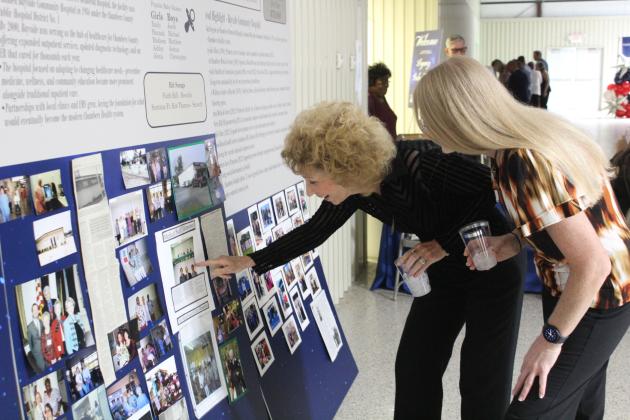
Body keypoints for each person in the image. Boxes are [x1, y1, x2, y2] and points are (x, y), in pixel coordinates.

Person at [197, 101, 523, 419]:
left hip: (490, 262)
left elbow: (488, 189)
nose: (310, 192)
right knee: (415, 366)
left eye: (313, 180)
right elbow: (314, 232)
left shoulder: (419, 163)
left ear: (343, 167)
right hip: (444, 271)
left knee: (482, 378)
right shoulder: (357, 190)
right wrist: (249, 261)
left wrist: (441, 244)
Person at [414, 56, 630, 419]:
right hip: (570, 285)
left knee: (530, 410)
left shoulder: (521, 158)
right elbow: (561, 216)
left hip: (600, 293)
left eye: (429, 119)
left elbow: (593, 264)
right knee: (581, 405)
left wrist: (550, 341)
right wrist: (511, 242)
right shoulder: (511, 148)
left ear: (458, 115)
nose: (426, 130)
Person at [367, 62, 397, 140]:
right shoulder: (369, 99)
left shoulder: (381, 97)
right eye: (382, 82)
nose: (386, 85)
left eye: (387, 81)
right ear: (371, 82)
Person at [27, 303, 46, 373]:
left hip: (46, 353)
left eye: (36, 309)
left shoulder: (42, 322)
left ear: (38, 311)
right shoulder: (29, 327)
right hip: (38, 356)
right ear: (32, 312)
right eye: (33, 310)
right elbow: (30, 345)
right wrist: (36, 355)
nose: (35, 311)